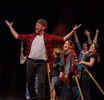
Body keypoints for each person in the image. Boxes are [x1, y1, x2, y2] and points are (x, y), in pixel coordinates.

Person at [5, 19, 81, 100]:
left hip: (42, 63)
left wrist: (73, 30)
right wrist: (10, 27)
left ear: (43, 27)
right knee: (30, 82)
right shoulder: (31, 36)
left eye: (38, 25)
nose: (35, 26)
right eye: (35, 25)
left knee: (41, 83)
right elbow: (17, 37)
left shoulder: (48, 37)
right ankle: (33, 97)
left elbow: (62, 39)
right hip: (30, 62)